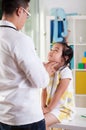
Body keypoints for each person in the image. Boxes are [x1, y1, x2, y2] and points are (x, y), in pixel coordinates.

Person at [0, 0, 58, 130]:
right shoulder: (20, 39)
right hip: (26, 118)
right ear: (19, 11)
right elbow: (40, 81)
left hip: (3, 115)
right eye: (28, 14)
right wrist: (45, 72)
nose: (26, 18)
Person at [42, 42, 75, 130]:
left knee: (41, 123)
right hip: (50, 107)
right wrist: (43, 106)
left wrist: (48, 109)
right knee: (35, 120)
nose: (51, 52)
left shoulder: (65, 72)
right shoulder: (47, 69)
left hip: (63, 110)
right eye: (51, 49)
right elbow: (44, 90)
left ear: (65, 58)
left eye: (56, 50)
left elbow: (59, 93)